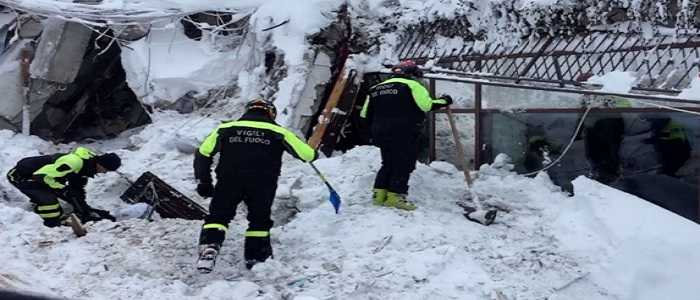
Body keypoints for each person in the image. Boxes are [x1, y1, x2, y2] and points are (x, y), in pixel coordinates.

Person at [194, 99, 317, 272]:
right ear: (271, 113)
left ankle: (209, 248)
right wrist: (311, 153)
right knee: (259, 221)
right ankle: (257, 259)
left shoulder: (225, 129)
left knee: (218, 216)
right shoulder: (278, 131)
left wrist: (204, 181)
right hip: (262, 182)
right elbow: (308, 154)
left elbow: (202, 154)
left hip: (229, 179)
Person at [360, 60, 453, 210]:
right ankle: (396, 196)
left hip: (381, 133)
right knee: (404, 164)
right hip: (404, 132)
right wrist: (444, 100)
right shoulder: (413, 85)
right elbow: (426, 105)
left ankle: (379, 195)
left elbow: (364, 114)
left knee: (388, 162)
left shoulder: (375, 89)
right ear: (413, 74)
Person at [5, 146, 121, 227]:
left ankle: (43, 202)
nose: (104, 173)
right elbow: (40, 176)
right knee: (50, 203)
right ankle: (53, 222)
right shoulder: (74, 162)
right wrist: (62, 189)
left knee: (70, 194)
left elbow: (77, 190)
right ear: (100, 164)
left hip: (46, 177)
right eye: (106, 169)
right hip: (22, 176)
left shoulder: (87, 166)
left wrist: (85, 210)